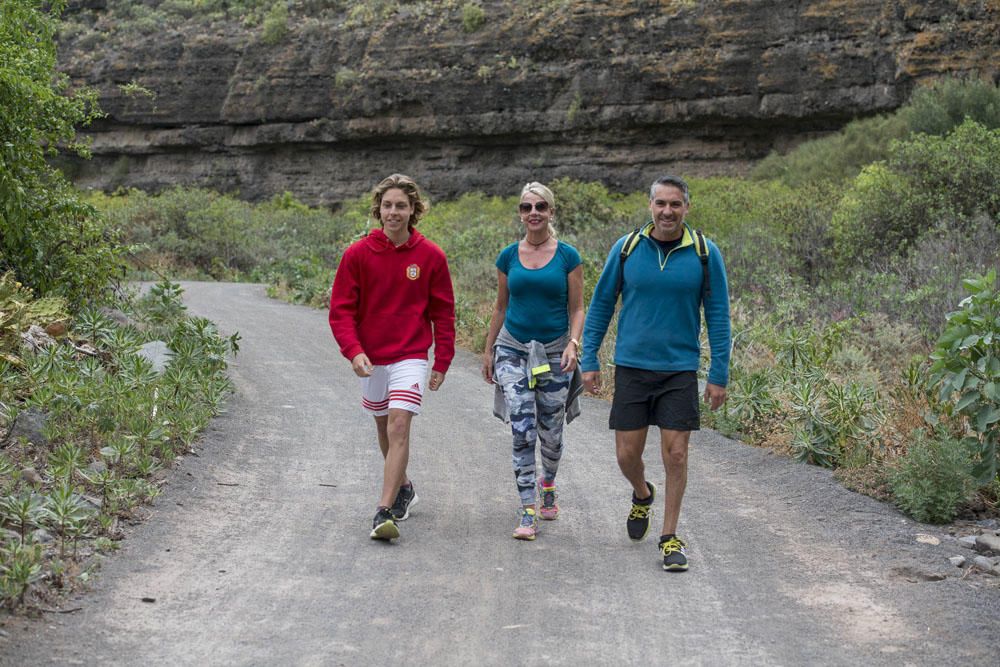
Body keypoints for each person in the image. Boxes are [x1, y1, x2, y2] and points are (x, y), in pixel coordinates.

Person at [580, 175, 730, 571]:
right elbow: (600, 305)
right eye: (661, 204)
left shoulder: (703, 253)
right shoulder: (627, 248)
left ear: (686, 207)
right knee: (627, 455)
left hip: (679, 370)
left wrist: (719, 372)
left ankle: (669, 537)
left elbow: (718, 316)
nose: (667, 211)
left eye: (675, 204)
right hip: (632, 366)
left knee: (677, 454)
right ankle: (642, 493)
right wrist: (589, 359)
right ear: (650, 206)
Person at [329, 173, 456, 541]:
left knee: (400, 424)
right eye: (388, 205)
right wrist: (353, 352)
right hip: (373, 358)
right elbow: (340, 311)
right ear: (378, 209)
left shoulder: (431, 256)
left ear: (414, 209)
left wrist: (442, 361)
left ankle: (383, 512)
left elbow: (443, 314)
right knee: (384, 428)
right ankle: (404, 487)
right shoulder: (357, 254)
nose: (393, 212)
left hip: (411, 355)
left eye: (401, 205)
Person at [482, 182, 585, 541]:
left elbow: (578, 307)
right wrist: (488, 349)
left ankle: (549, 482)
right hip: (513, 348)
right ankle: (527, 508)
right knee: (522, 427)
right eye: (527, 208)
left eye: (541, 206)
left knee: (551, 435)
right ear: (521, 214)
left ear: (551, 212)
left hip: (556, 352)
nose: (534, 213)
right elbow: (501, 306)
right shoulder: (508, 256)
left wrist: (574, 343)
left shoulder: (568, 256)